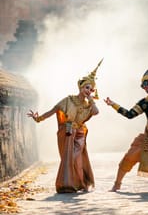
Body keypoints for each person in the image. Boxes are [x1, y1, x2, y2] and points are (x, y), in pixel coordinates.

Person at [28, 59, 103, 193]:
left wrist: (91, 99)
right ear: (80, 87)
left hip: (79, 135)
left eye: (91, 89)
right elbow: (53, 111)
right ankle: (72, 185)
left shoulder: (88, 105)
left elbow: (96, 112)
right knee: (68, 159)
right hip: (67, 133)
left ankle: (80, 183)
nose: (89, 90)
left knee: (76, 159)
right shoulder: (68, 100)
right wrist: (38, 118)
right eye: (86, 87)